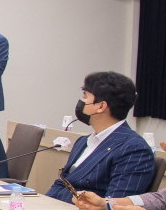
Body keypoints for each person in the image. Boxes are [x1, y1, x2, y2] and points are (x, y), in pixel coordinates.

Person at [46, 71, 156, 203]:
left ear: (101, 106)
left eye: (85, 96)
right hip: (56, 208)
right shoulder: (83, 141)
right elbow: (63, 182)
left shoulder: (133, 149)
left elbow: (116, 204)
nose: (81, 101)